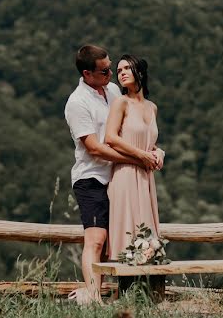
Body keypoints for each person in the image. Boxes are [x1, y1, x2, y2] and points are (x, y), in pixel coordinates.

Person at [64, 45, 159, 304]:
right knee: (96, 239)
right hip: (91, 177)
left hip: (118, 177)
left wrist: (151, 153)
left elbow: (131, 134)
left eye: (111, 68)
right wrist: (137, 158)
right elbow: (95, 148)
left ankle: (122, 295)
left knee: (114, 242)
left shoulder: (114, 91)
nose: (111, 74)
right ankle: (93, 295)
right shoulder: (77, 103)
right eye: (105, 71)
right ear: (87, 72)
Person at [105, 54, 164, 261]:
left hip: (146, 177)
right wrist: (141, 155)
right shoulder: (121, 103)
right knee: (129, 234)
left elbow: (147, 140)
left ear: (139, 71)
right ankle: (125, 289)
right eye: (119, 70)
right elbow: (110, 137)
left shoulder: (152, 107)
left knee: (147, 236)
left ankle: (146, 289)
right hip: (126, 174)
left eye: (126, 69)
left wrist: (158, 152)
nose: (121, 73)